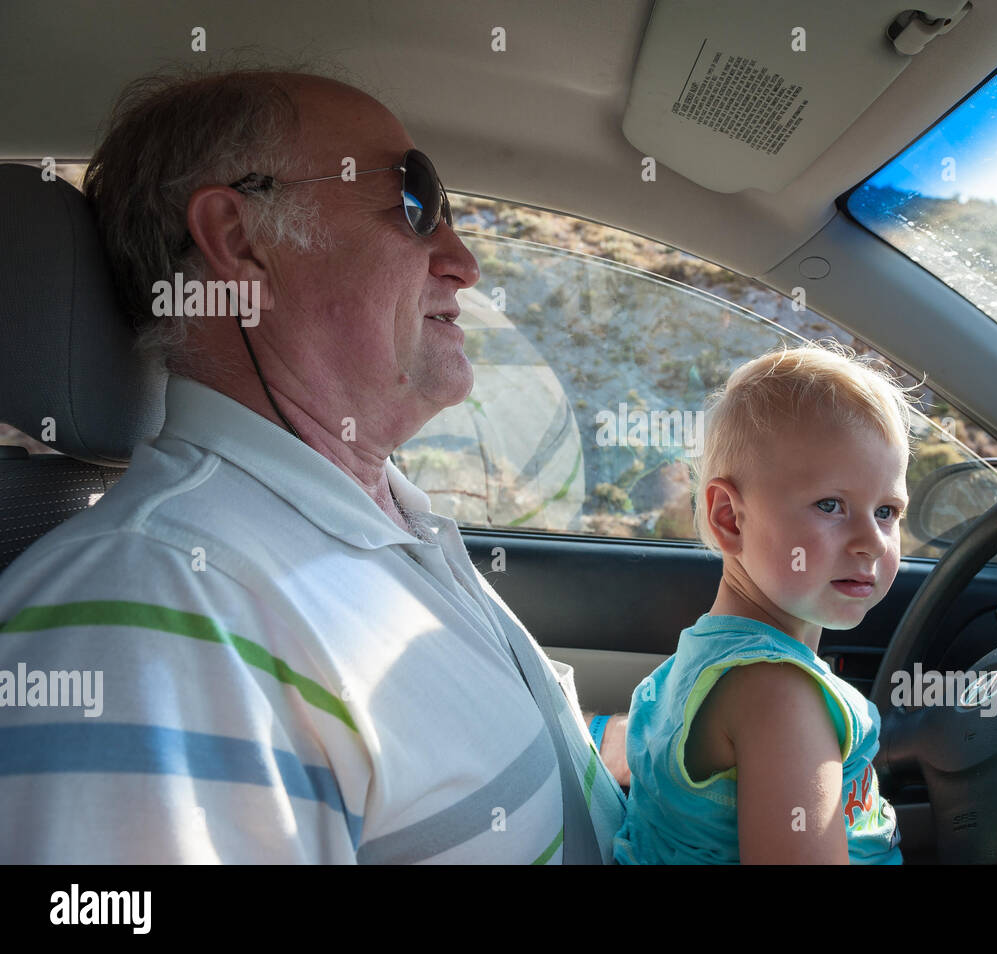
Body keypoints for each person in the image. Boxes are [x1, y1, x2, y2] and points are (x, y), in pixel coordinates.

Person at [0, 67, 627, 863]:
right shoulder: (154, 623)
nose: (465, 260)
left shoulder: (387, 517)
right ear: (239, 239)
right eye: (415, 202)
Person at [613, 344, 997, 864]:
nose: (873, 541)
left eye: (887, 511)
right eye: (831, 504)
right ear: (729, 518)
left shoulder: (698, 661)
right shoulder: (778, 697)